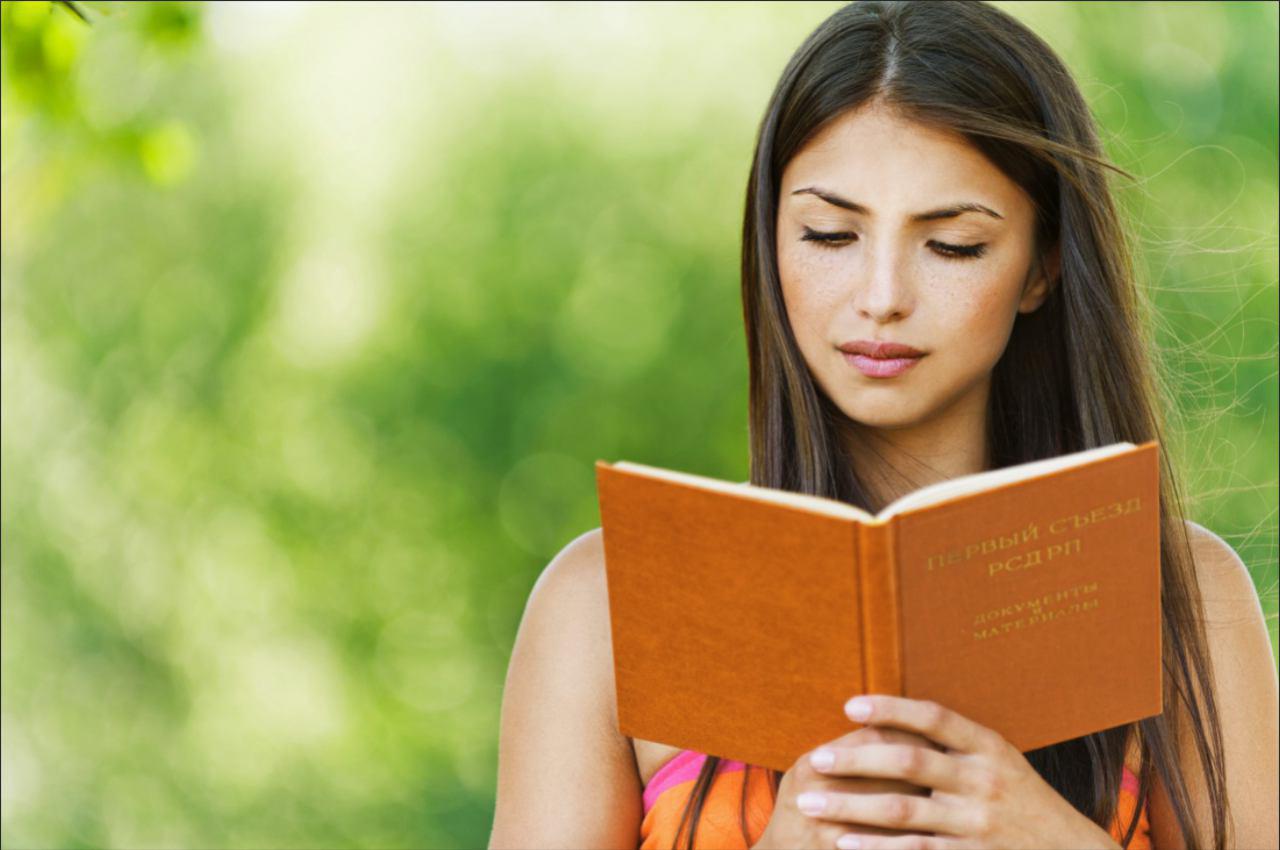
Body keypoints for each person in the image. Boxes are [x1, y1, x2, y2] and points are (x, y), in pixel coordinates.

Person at [488, 2, 1279, 848]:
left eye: (953, 247)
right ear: (770, 240)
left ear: (1042, 267)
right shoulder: (606, 603)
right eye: (830, 234)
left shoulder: (1181, 594)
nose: (881, 296)